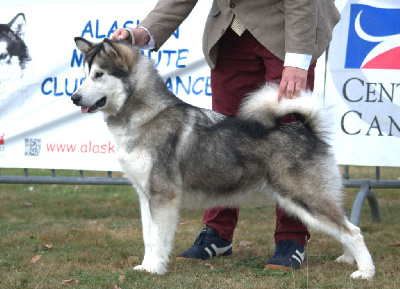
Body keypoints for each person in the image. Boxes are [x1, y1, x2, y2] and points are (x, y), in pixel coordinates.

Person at [111, 0, 340, 271]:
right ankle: (218, 233)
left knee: (288, 138)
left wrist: (298, 60)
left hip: (287, 28)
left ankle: (291, 239)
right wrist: (145, 32)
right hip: (229, 33)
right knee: (219, 141)